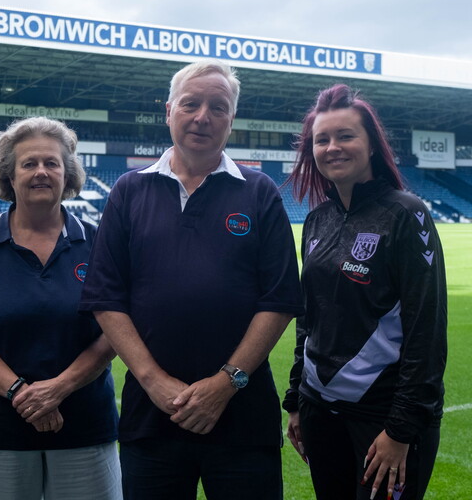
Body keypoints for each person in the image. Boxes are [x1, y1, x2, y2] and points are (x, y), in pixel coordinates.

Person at [80, 60, 303, 500]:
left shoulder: (260, 193)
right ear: (168, 111)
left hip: (243, 416)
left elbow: (278, 300)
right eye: (191, 103)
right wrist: (153, 381)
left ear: (231, 119)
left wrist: (226, 383)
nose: (203, 116)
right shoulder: (129, 190)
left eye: (217, 107)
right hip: (152, 418)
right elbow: (106, 296)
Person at [0, 116, 121, 500]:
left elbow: (115, 330)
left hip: (83, 421)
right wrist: (22, 393)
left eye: (52, 163)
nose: (41, 172)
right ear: (10, 174)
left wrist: (59, 388)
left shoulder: (98, 240)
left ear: (67, 173)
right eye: (29, 163)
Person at [282, 84, 447, 500]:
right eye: (322, 139)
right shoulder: (316, 220)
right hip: (320, 411)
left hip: (383, 418)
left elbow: (426, 330)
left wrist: (401, 430)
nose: (332, 147)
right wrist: (297, 400)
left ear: (371, 144)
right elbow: (309, 318)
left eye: (345, 136)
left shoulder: (406, 215)